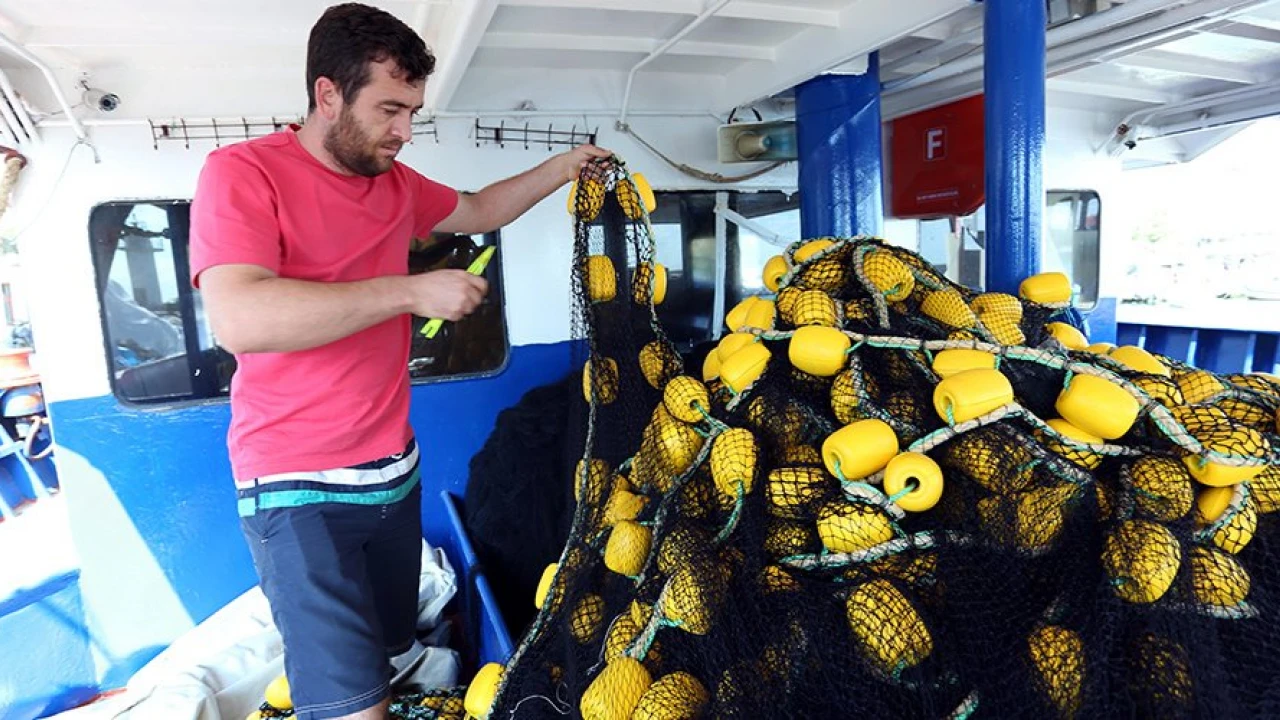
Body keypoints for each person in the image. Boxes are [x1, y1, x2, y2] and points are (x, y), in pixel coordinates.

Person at [188, 4, 609, 718]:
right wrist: (410, 291)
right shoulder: (242, 172)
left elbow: (478, 208)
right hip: (297, 488)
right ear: (328, 94)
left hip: (393, 474)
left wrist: (564, 167)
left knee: (388, 651)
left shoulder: (396, 184)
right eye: (389, 109)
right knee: (354, 705)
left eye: (412, 111)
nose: (405, 131)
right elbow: (241, 318)